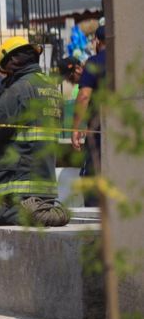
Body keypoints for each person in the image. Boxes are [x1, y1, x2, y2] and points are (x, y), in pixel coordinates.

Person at [0, 37, 65, 226]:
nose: (5, 73)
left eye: (5, 67)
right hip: (46, 188)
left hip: (19, 189)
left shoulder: (19, 89)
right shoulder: (51, 89)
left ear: (13, 61)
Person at [72, 26, 106, 207]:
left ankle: (94, 214)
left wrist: (76, 128)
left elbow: (84, 96)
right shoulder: (124, 60)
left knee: (93, 175)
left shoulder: (94, 62)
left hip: (99, 130)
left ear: (98, 42)